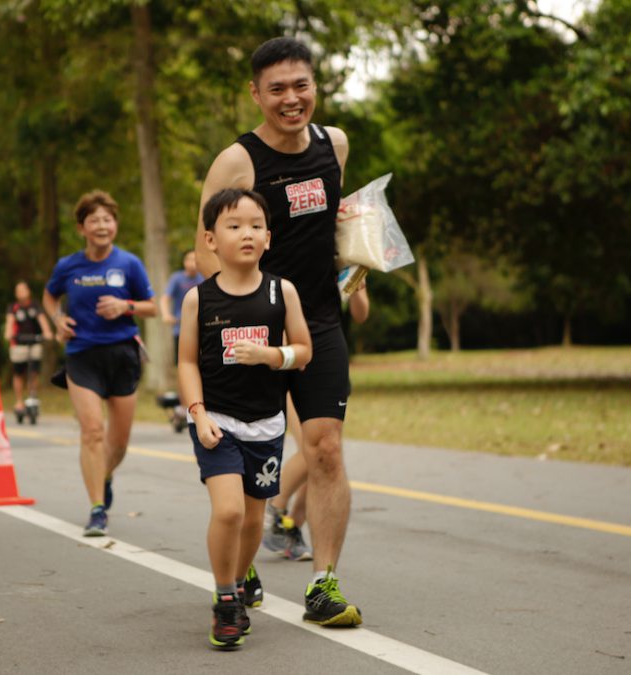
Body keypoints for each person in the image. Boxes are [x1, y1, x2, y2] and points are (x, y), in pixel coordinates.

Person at [195, 37, 362, 626]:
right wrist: (246, 326)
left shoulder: (334, 145)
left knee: (326, 447)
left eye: (301, 86)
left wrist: (356, 275)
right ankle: (240, 568)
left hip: (317, 319)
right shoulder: (236, 164)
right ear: (255, 94)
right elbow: (204, 255)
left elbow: (336, 227)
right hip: (248, 329)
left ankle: (323, 584)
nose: (292, 100)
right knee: (250, 460)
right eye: (277, 89)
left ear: (315, 85)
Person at [180, 188, 312, 648]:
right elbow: (187, 363)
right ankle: (224, 600)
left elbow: (304, 351)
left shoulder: (282, 291)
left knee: (254, 520)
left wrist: (271, 354)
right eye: (234, 226)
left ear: (269, 237)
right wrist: (196, 414)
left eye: (256, 225)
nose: (247, 233)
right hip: (217, 421)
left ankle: (237, 583)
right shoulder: (199, 299)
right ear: (211, 239)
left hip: (267, 426)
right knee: (230, 511)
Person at [43, 190, 156, 537]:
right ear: (82, 228)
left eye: (108, 219)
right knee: (92, 431)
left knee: (118, 443)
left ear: (115, 225)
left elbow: (153, 307)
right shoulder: (68, 266)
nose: (102, 225)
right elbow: (49, 296)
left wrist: (126, 307)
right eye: (94, 220)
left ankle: (104, 475)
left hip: (122, 355)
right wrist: (58, 320)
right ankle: (96, 509)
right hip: (82, 355)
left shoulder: (129, 264)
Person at [263, 282, 370, 561]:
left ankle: (290, 527)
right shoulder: (284, 279)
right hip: (293, 361)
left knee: (326, 456)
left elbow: (361, 314)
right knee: (313, 451)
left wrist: (357, 287)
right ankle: (274, 509)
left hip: (327, 360)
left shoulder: (342, 261)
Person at [4, 281, 52, 421]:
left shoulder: (35, 305)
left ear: (28, 291)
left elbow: (42, 320)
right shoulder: (13, 307)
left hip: (34, 342)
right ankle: (19, 401)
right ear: (16, 293)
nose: (21, 292)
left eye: (23, 289)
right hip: (18, 344)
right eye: (18, 290)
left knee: (33, 372)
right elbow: (9, 322)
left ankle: (32, 395)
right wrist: (8, 333)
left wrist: (47, 332)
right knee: (19, 373)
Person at [160, 250, 205, 364]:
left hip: (202, 328)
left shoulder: (204, 278)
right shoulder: (177, 278)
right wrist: (166, 315)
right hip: (180, 329)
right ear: (185, 262)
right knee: (183, 363)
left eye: (195, 259)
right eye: (189, 259)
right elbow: (165, 298)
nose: (192, 262)